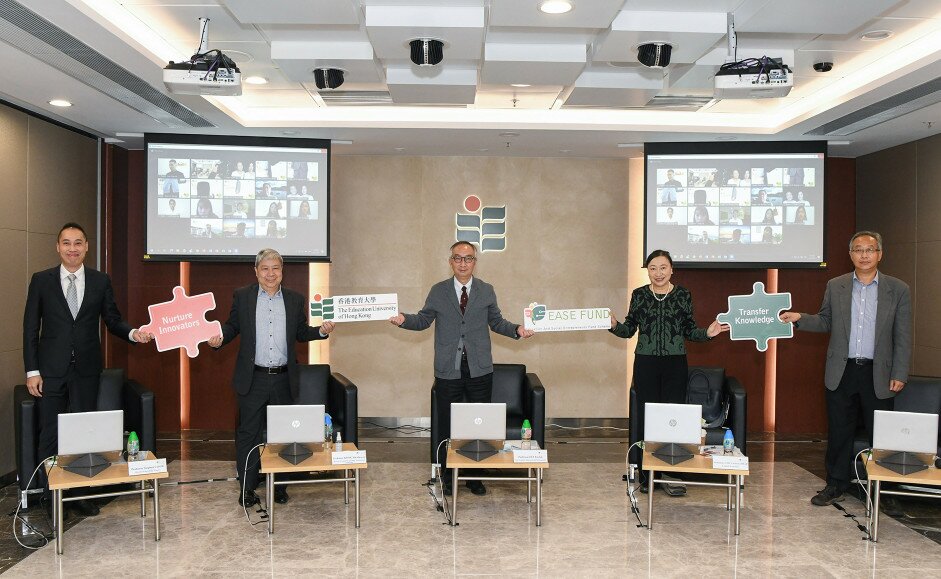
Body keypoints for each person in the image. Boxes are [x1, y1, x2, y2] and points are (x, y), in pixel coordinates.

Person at [23, 223, 154, 517]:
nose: (72, 248)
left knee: (84, 435)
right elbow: (31, 328)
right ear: (58, 247)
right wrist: (32, 371)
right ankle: (51, 496)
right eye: (67, 243)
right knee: (51, 434)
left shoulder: (99, 280)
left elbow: (112, 319)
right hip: (50, 371)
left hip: (86, 371)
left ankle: (81, 495)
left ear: (86, 247)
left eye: (78, 243)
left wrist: (134, 333)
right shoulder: (41, 280)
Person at [389, 241, 535, 496]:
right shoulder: (438, 291)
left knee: (478, 426)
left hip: (480, 369)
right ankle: (447, 475)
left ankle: (474, 476)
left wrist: (517, 330)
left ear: (475, 262)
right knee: (448, 424)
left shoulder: (486, 290)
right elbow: (423, 320)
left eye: (468, 259)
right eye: (458, 258)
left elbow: (497, 322)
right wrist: (403, 320)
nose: (463, 263)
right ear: (451, 262)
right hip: (448, 369)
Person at [779, 232, 911, 507]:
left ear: (880, 254)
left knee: (881, 435)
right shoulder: (836, 285)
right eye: (858, 250)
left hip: (880, 374)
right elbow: (826, 321)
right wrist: (799, 318)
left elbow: (903, 335)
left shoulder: (898, 289)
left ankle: (884, 490)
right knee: (840, 431)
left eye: (870, 249)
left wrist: (899, 371)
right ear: (850, 255)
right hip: (842, 371)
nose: (864, 255)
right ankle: (836, 484)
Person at [208, 249, 335, 507]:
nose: (270, 273)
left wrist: (320, 331)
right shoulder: (242, 296)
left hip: (283, 378)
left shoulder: (294, 299)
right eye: (264, 268)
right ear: (256, 271)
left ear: (282, 271)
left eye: (275, 268)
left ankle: (279, 486)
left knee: (285, 436)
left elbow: (301, 333)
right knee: (248, 436)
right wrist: (219, 337)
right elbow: (232, 326)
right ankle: (247, 488)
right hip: (252, 378)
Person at [609, 249, 726, 495]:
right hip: (646, 363)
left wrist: (708, 333)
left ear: (671, 270)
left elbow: (690, 330)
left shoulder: (683, 294)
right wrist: (614, 325)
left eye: (663, 267)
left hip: (675, 364)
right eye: (653, 268)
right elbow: (629, 329)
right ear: (648, 271)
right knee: (647, 417)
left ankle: (671, 470)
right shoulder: (639, 295)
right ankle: (646, 473)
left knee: (673, 419)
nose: (658, 273)